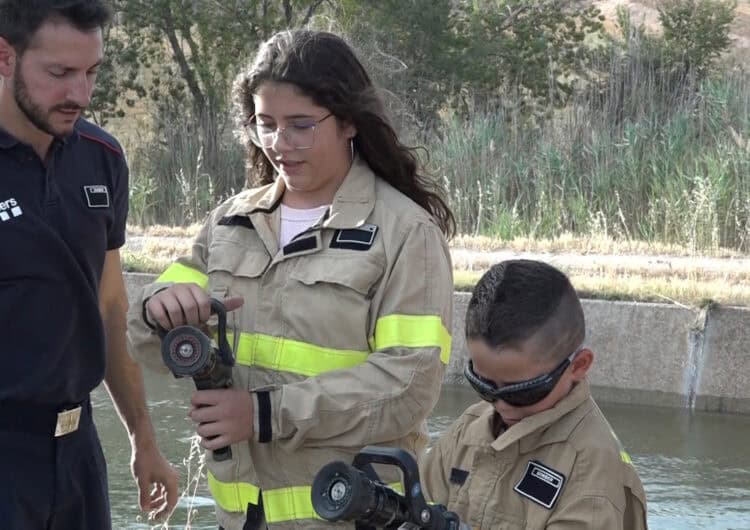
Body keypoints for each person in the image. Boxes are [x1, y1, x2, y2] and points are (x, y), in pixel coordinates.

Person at [127, 29, 456, 530]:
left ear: (348, 122)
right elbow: (146, 341)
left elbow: (409, 384)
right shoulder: (229, 222)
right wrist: (159, 308)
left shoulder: (405, 232)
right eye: (266, 124)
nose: (280, 144)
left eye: (301, 125)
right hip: (239, 519)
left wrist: (264, 414)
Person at [0, 1, 178, 528]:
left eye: (91, 72)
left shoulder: (104, 157)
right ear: (4, 57)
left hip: (79, 452)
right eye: (59, 74)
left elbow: (109, 307)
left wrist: (144, 437)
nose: (79, 93)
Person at [419, 259, 648, 529]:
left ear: (578, 366)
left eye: (523, 391)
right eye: (483, 384)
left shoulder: (591, 467)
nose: (502, 405)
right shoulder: (469, 428)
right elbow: (421, 498)